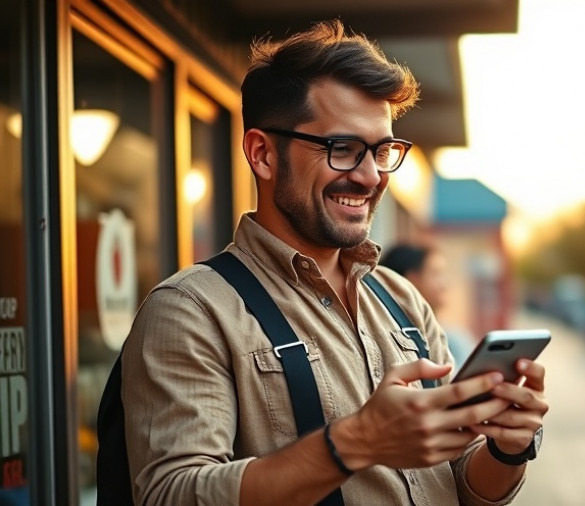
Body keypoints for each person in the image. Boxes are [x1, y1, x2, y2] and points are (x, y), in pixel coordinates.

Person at [120, 19, 548, 505]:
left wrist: (506, 449)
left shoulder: (402, 299)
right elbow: (170, 495)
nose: (370, 177)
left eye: (382, 150)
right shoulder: (191, 310)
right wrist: (357, 441)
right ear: (262, 154)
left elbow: (459, 484)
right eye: (342, 149)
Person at [380, 243, 476, 371]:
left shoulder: (452, 337)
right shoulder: (389, 338)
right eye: (436, 274)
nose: (445, 284)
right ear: (411, 279)